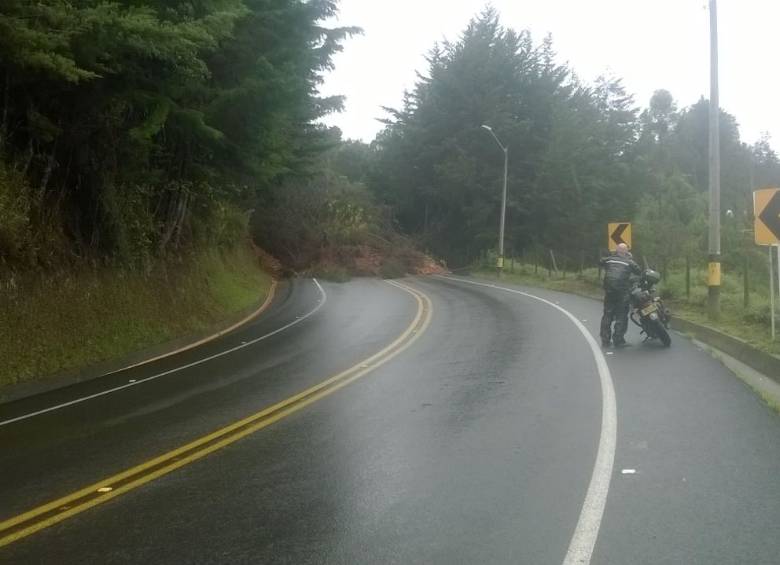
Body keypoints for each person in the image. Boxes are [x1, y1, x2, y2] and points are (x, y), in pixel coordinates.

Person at [599, 243, 641, 347]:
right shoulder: (629, 262)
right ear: (626, 252)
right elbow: (638, 271)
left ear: (616, 251)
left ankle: (605, 340)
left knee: (607, 314)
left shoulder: (609, 259)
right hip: (622, 292)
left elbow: (600, 261)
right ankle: (618, 340)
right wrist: (630, 258)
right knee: (621, 315)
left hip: (609, 291)